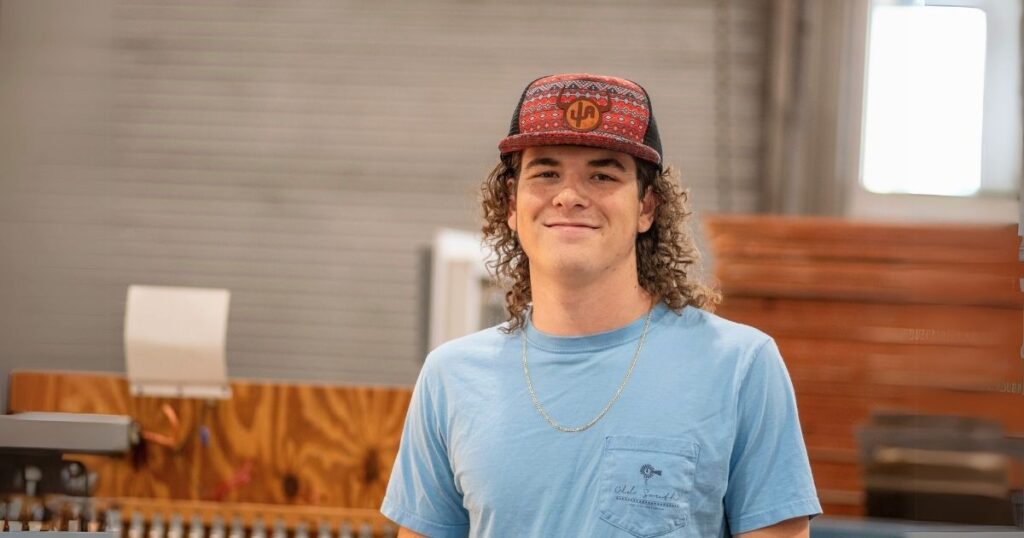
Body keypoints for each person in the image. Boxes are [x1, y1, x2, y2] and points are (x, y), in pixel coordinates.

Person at [380, 73, 823, 538]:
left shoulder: (740, 367)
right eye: (546, 172)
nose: (569, 196)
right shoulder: (450, 377)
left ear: (647, 207)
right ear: (511, 204)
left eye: (603, 174)